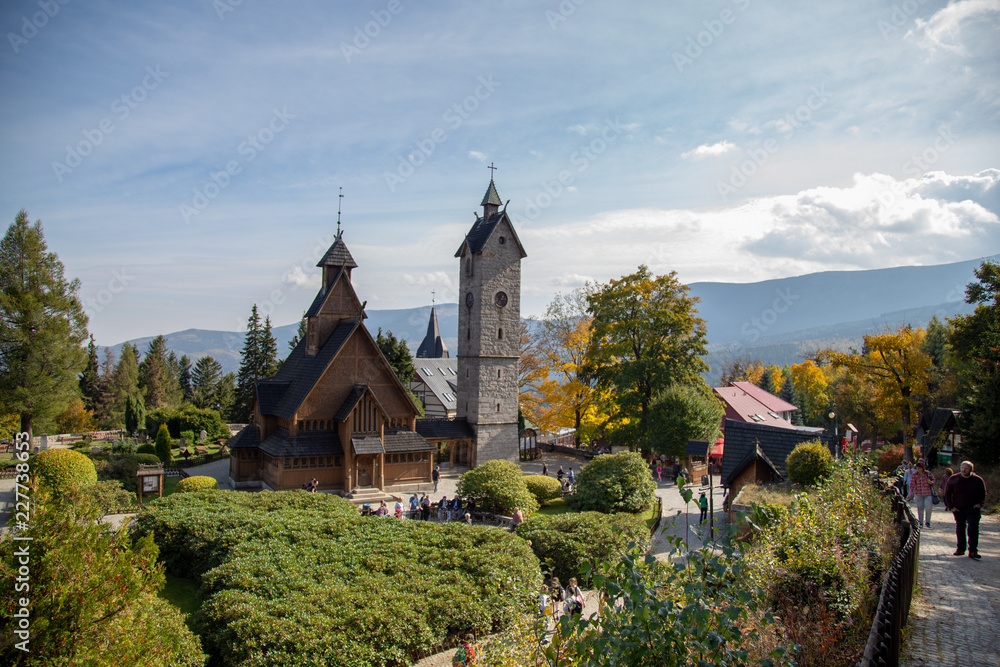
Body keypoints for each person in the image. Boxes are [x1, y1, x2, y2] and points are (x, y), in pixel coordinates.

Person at [944, 460, 987, 559]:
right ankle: (961, 548)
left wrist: (980, 504)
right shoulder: (954, 479)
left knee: (973, 528)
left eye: (966, 468)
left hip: (973, 508)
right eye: (962, 467)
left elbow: (983, 493)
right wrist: (951, 506)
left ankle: (973, 550)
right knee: (960, 528)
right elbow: (947, 493)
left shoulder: (978, 480)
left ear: (971, 469)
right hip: (959, 509)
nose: (963, 470)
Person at [907, 460, 935, 527]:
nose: (918, 469)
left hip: (927, 493)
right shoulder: (914, 474)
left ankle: (928, 522)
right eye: (917, 468)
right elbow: (912, 484)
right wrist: (910, 493)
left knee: (929, 507)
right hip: (918, 493)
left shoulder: (928, 473)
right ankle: (921, 522)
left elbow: (933, 479)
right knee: (920, 508)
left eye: (919, 468)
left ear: (922, 468)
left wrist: (931, 482)